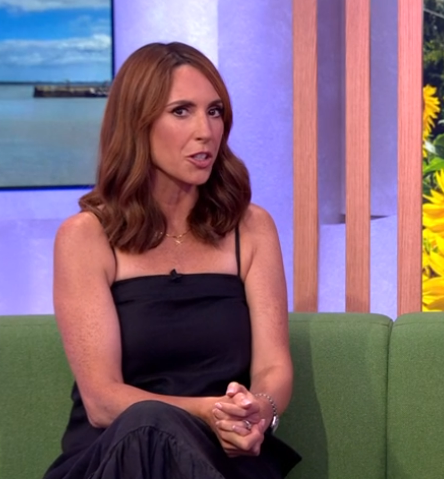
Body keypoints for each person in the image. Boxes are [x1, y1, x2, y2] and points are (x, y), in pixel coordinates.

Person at [43, 41, 301, 479]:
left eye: (215, 111)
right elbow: (103, 401)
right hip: (113, 458)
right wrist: (210, 411)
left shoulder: (252, 229)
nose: (206, 130)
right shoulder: (85, 238)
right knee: (148, 423)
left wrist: (259, 410)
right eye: (181, 111)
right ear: (137, 124)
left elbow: (273, 366)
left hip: (225, 458)